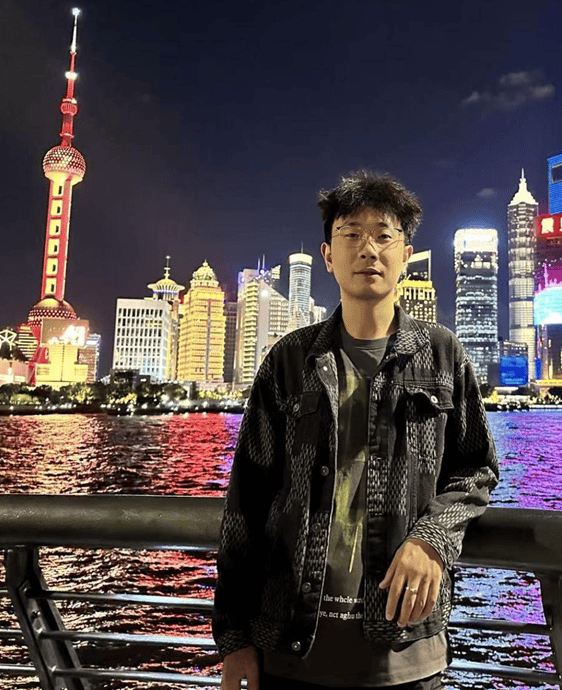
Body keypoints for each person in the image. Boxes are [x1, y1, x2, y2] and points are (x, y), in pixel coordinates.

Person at [213, 170, 499, 690]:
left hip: (406, 655)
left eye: (384, 235)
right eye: (351, 234)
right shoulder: (288, 361)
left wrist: (432, 540)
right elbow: (245, 505)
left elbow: (476, 469)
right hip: (290, 653)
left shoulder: (443, 354)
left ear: (405, 255)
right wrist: (235, 640)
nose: (368, 248)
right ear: (328, 255)